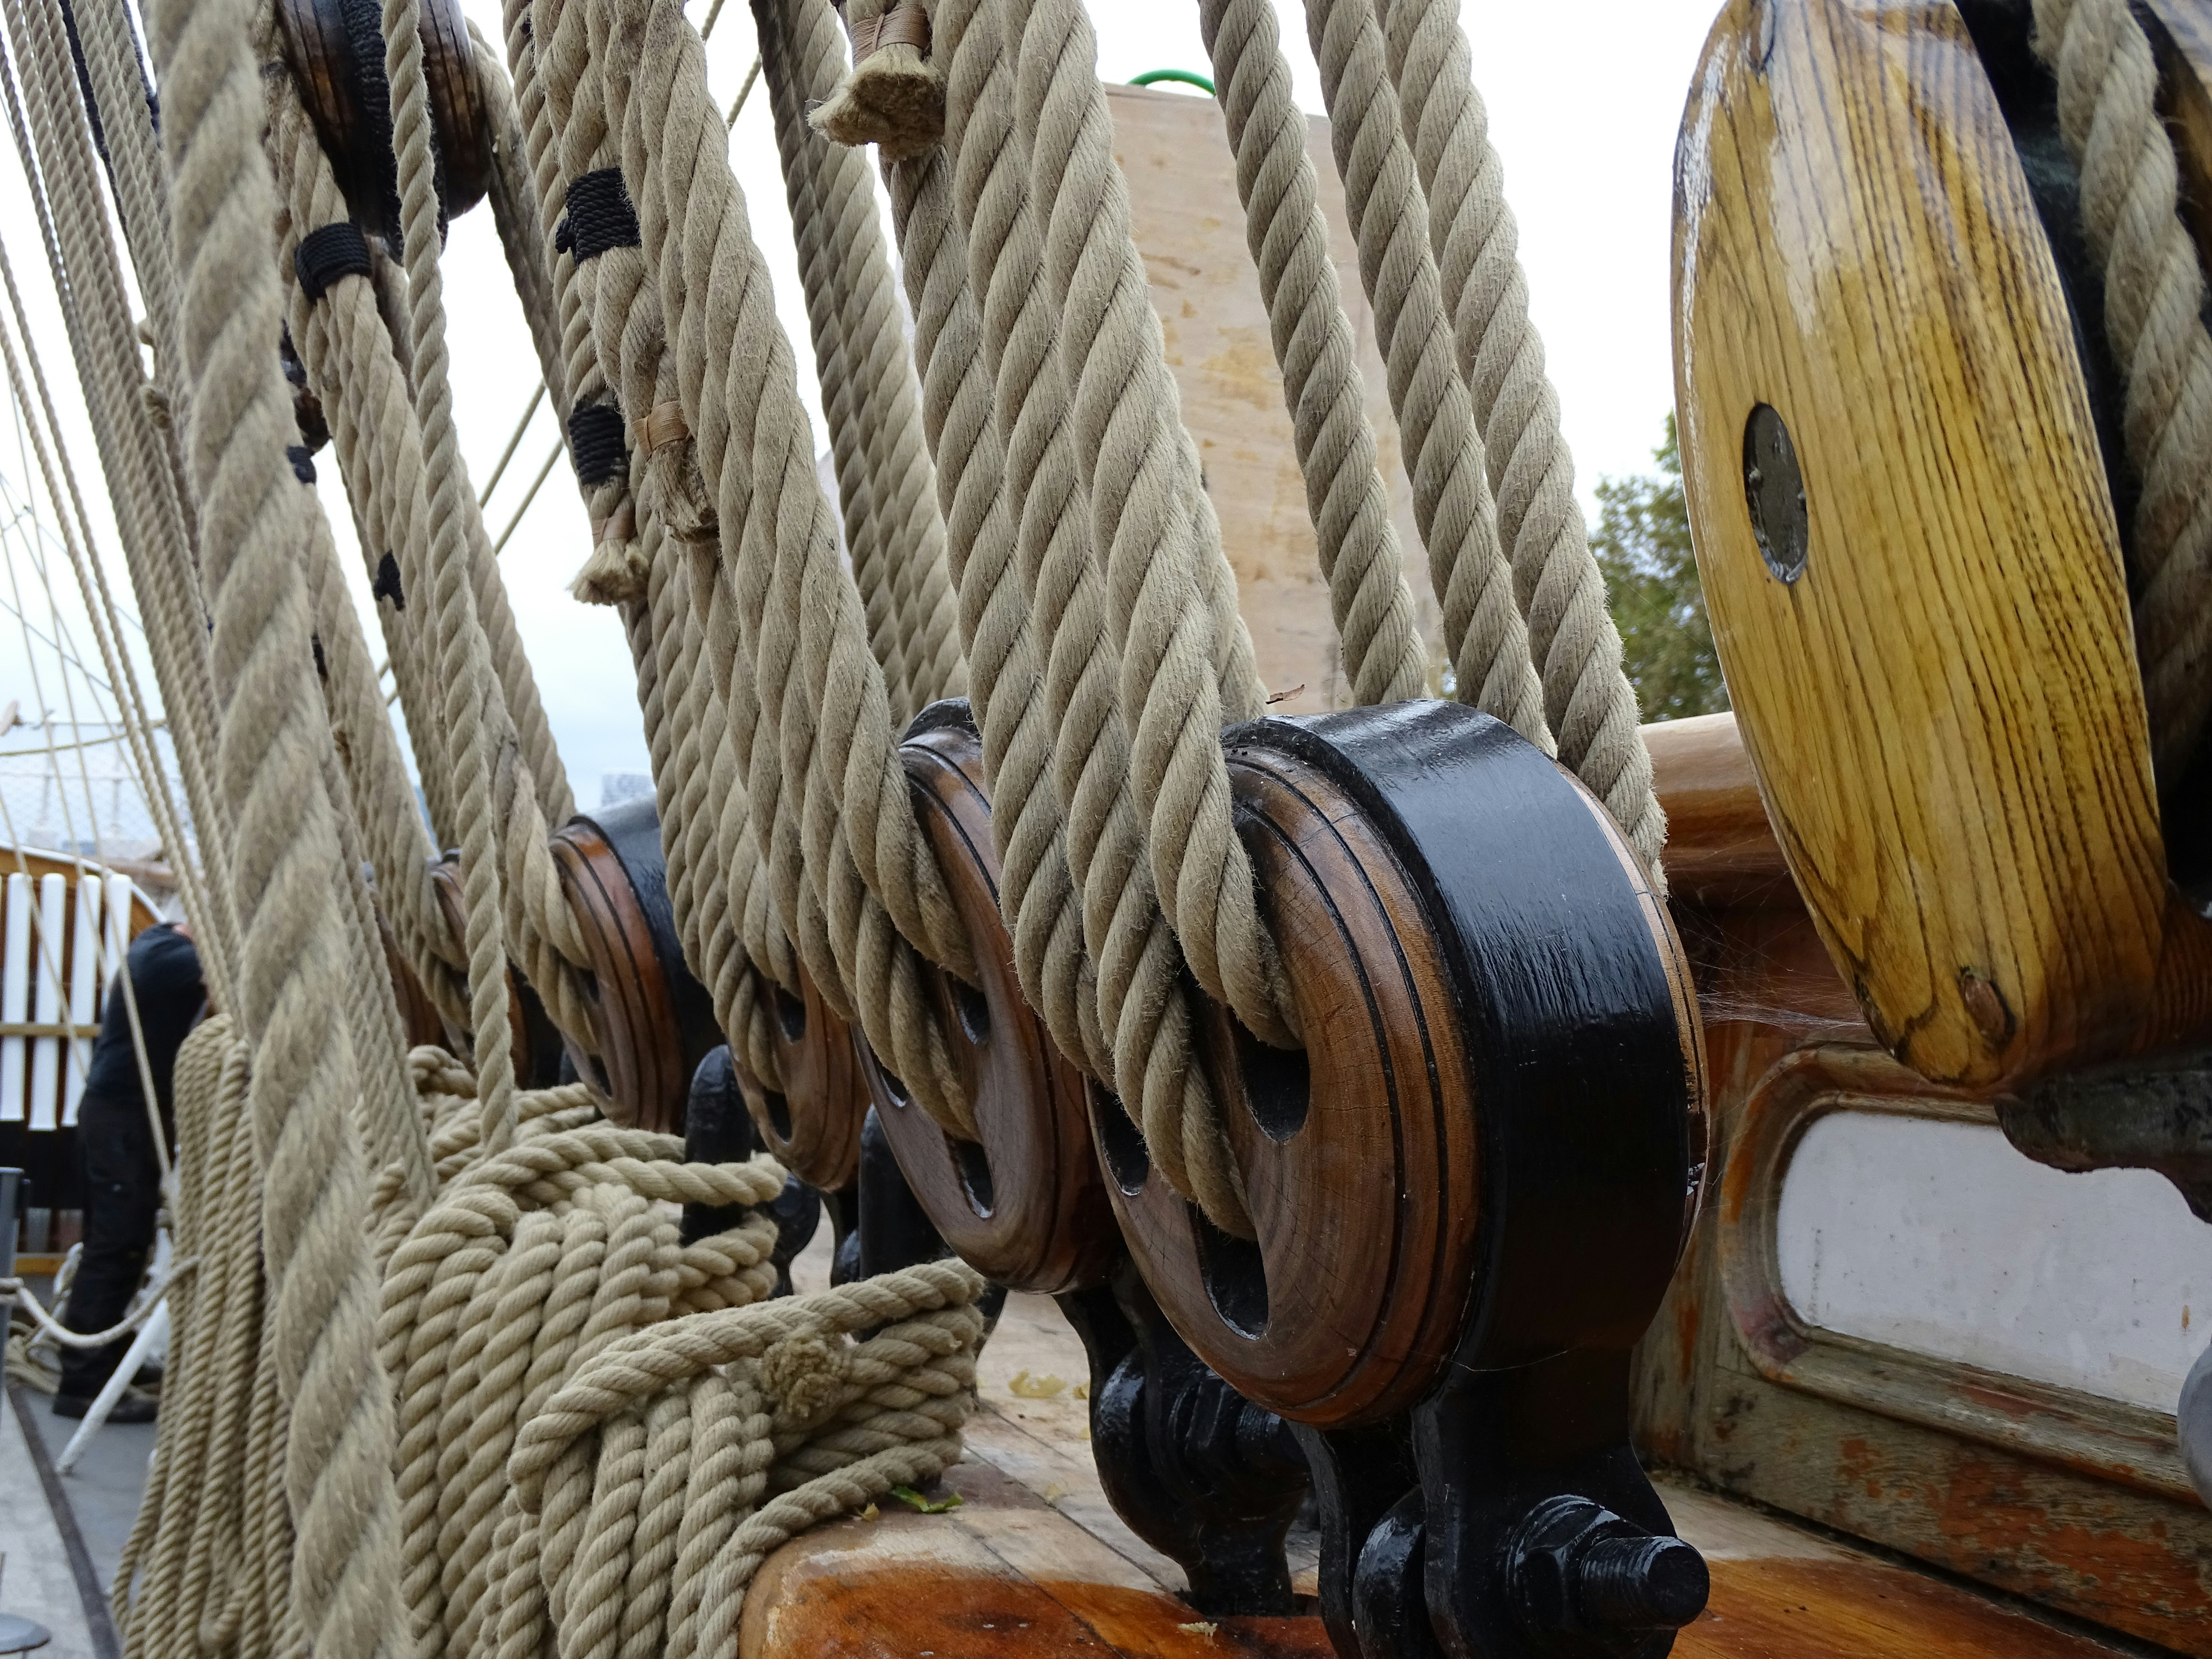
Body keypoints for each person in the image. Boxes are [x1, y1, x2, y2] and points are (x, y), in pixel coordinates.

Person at [53, 915, 203, 1421]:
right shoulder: (165, 957)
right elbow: (236, 972)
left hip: (121, 1115)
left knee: (121, 1242)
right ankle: (82, 1385)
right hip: (124, 1119)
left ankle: (101, 1353)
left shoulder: (156, 942)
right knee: (116, 1247)